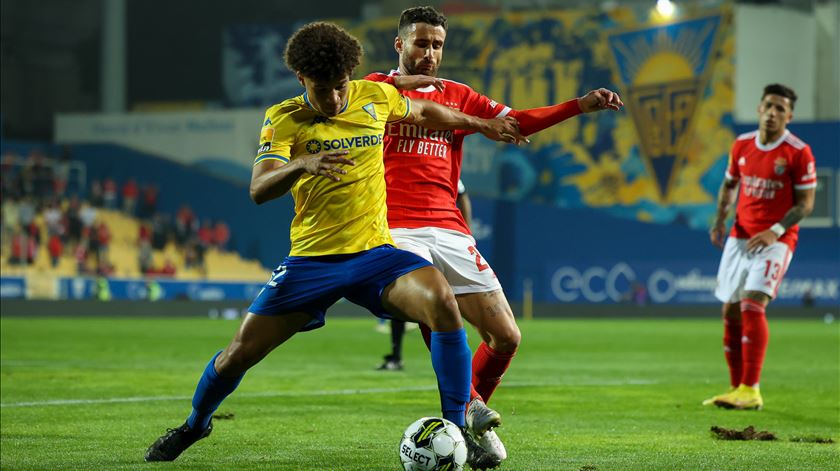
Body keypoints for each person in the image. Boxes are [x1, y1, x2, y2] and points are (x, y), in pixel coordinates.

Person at [144, 21, 525, 468]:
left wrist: (482, 123)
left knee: (441, 299)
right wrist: (303, 163)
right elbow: (260, 188)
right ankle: (194, 425)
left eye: (341, 86)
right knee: (236, 357)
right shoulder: (284, 118)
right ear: (301, 79)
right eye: (324, 89)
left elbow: (424, 113)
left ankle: (457, 430)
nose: (336, 99)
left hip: (376, 256)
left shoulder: (372, 96)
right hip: (313, 263)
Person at [364, 6, 623, 462]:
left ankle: (467, 419)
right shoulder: (374, 89)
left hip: (449, 227)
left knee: (506, 337)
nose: (429, 53)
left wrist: (578, 106)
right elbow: (407, 116)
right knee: (436, 307)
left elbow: (515, 122)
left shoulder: (458, 94)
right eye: (421, 43)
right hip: (395, 227)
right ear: (399, 45)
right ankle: (469, 407)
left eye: (437, 45)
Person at [703, 83, 816, 410]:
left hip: (777, 240)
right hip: (740, 237)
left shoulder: (797, 152)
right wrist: (719, 221)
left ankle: (751, 390)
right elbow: (729, 186)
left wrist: (776, 230)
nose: (772, 113)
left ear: (789, 116)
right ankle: (736, 388)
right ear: (759, 109)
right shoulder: (741, 146)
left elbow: (806, 204)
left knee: (753, 303)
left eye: (780, 108)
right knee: (731, 310)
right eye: (768, 105)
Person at [378, 181, 472, 372]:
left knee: (444, 299)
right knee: (406, 293)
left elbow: (462, 195)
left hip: (443, 235)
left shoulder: (437, 167)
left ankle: (455, 347)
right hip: (405, 232)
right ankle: (396, 355)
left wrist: (466, 231)